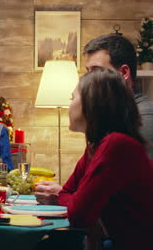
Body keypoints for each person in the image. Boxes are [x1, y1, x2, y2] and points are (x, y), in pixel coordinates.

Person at [35, 34, 153, 205]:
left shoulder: (143, 120)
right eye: (87, 72)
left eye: (96, 71)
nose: (87, 81)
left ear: (123, 73)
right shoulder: (106, 124)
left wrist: (65, 197)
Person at [59, 68, 153, 249]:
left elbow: (78, 214)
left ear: (90, 103)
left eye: (72, 98)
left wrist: (78, 204)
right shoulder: (95, 146)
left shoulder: (116, 145)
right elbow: (66, 192)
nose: (69, 106)